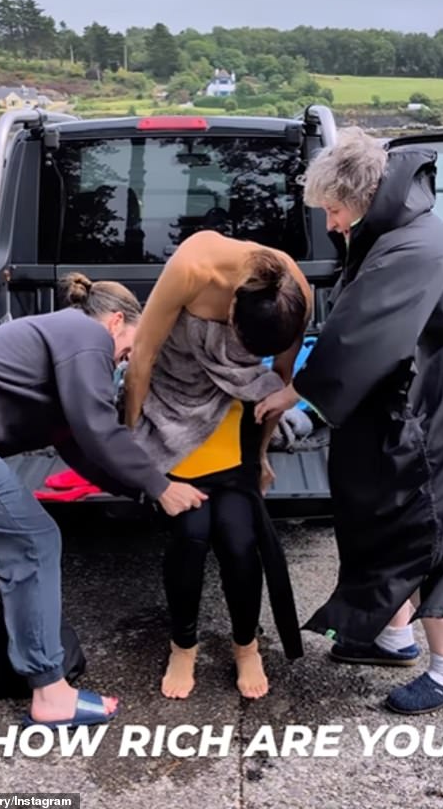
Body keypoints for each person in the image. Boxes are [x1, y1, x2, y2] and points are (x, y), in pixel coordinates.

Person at [255, 128, 443, 714]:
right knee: (380, 509)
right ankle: (392, 637)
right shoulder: (398, 232)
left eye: (332, 210)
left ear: (359, 198)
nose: (330, 224)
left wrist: (294, 395)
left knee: (426, 531)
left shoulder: (412, 249)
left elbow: (358, 338)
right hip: (438, 395)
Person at [0, 273, 207, 727]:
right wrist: (161, 485)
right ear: (116, 321)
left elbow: (77, 446)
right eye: (132, 343)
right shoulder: (84, 334)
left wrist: (140, 492)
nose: (130, 358)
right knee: (32, 543)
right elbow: (96, 427)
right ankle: (50, 693)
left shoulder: (60, 342)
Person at [124, 230, 312, 699]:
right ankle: (182, 645)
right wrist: (131, 452)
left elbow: (278, 384)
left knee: (239, 539)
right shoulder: (192, 267)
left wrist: (263, 454)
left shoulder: (294, 290)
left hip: (233, 420)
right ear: (231, 312)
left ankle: (246, 645)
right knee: (190, 535)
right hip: (173, 407)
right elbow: (142, 358)